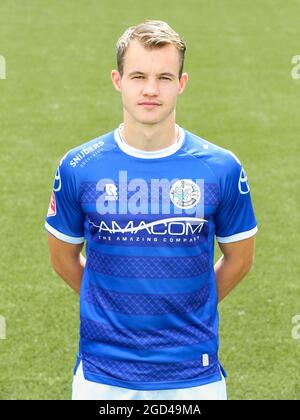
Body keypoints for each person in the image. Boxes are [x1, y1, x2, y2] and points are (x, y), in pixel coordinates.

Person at [45, 20, 257, 400]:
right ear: (117, 80)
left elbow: (239, 260)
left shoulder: (221, 167)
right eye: (138, 75)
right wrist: (109, 304)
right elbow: (63, 257)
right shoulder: (78, 166)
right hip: (102, 375)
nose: (150, 89)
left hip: (194, 375)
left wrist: (188, 306)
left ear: (182, 83)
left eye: (164, 77)